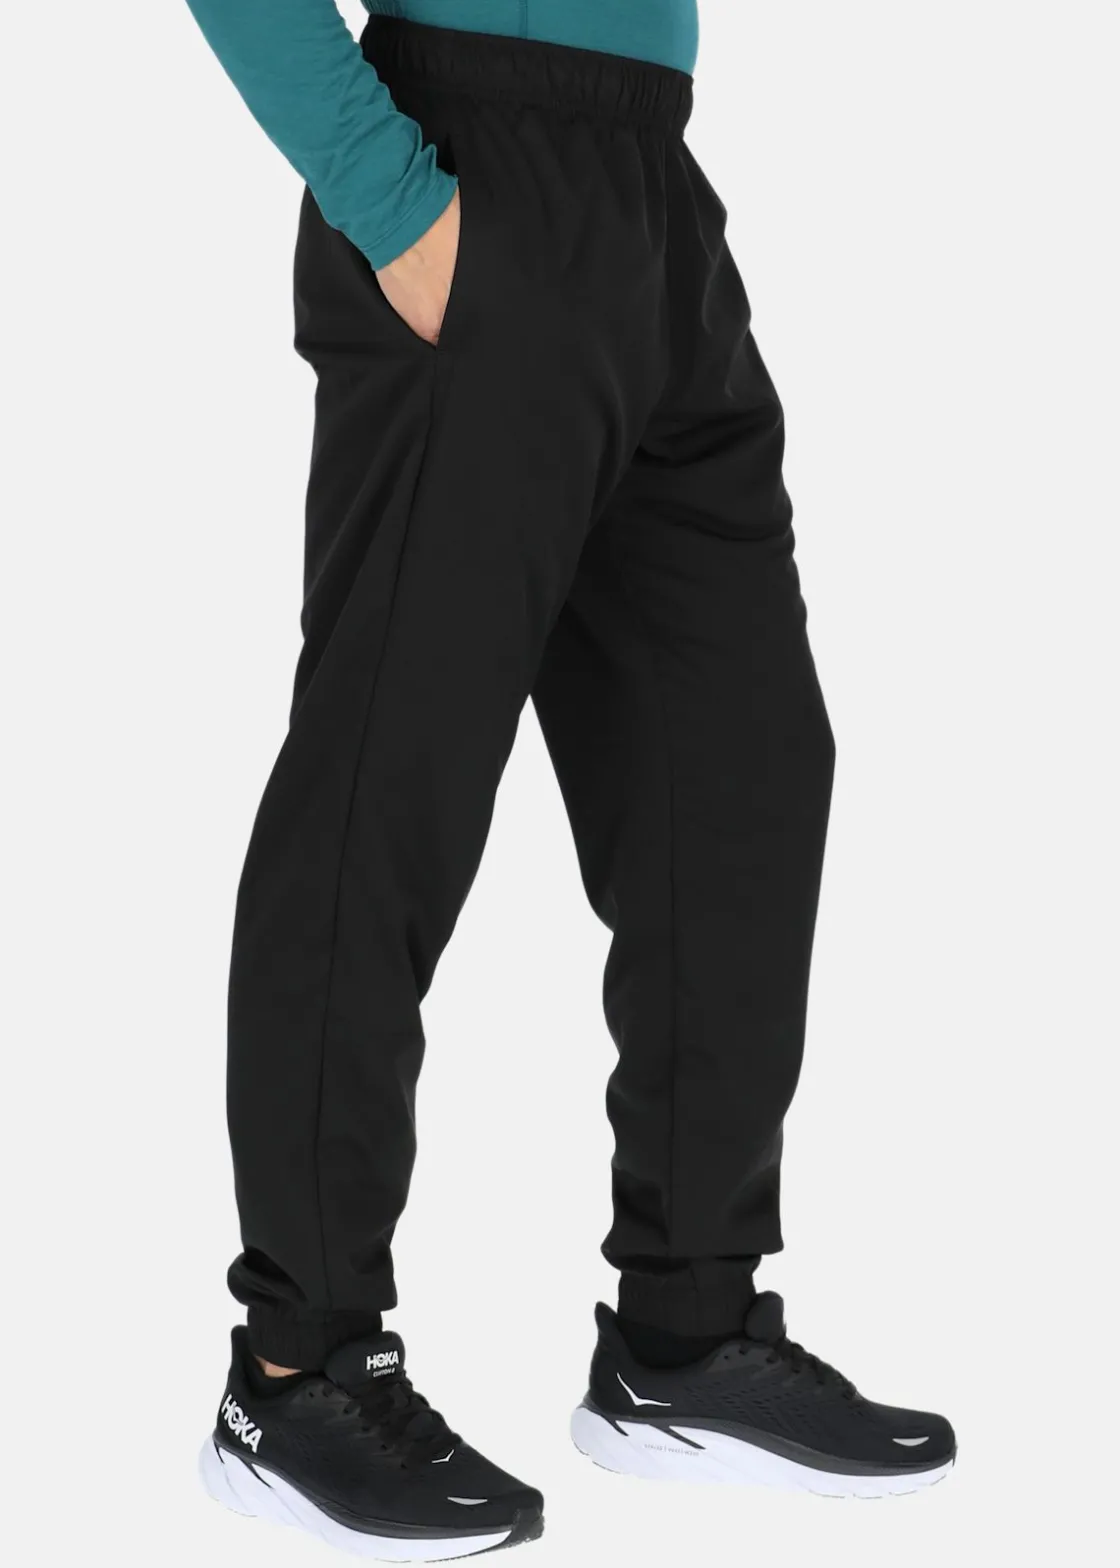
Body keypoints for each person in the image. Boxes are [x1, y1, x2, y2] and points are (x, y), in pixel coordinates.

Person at [187, 1, 955, 1554]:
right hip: (467, 162)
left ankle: (686, 1330)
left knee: (744, 768)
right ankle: (296, 1367)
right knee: (388, 794)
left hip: (655, 188)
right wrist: (394, 204)